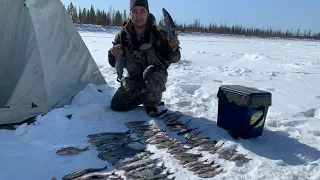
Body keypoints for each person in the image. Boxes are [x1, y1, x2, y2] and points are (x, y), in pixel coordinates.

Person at [108, 0, 181, 117]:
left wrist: (173, 47)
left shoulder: (160, 34)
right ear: (130, 14)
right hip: (134, 80)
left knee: (152, 72)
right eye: (135, 12)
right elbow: (114, 63)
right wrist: (113, 53)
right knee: (117, 105)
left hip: (155, 77)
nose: (138, 15)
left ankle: (152, 103)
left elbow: (174, 59)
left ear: (148, 13)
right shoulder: (122, 36)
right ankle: (144, 96)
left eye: (142, 11)